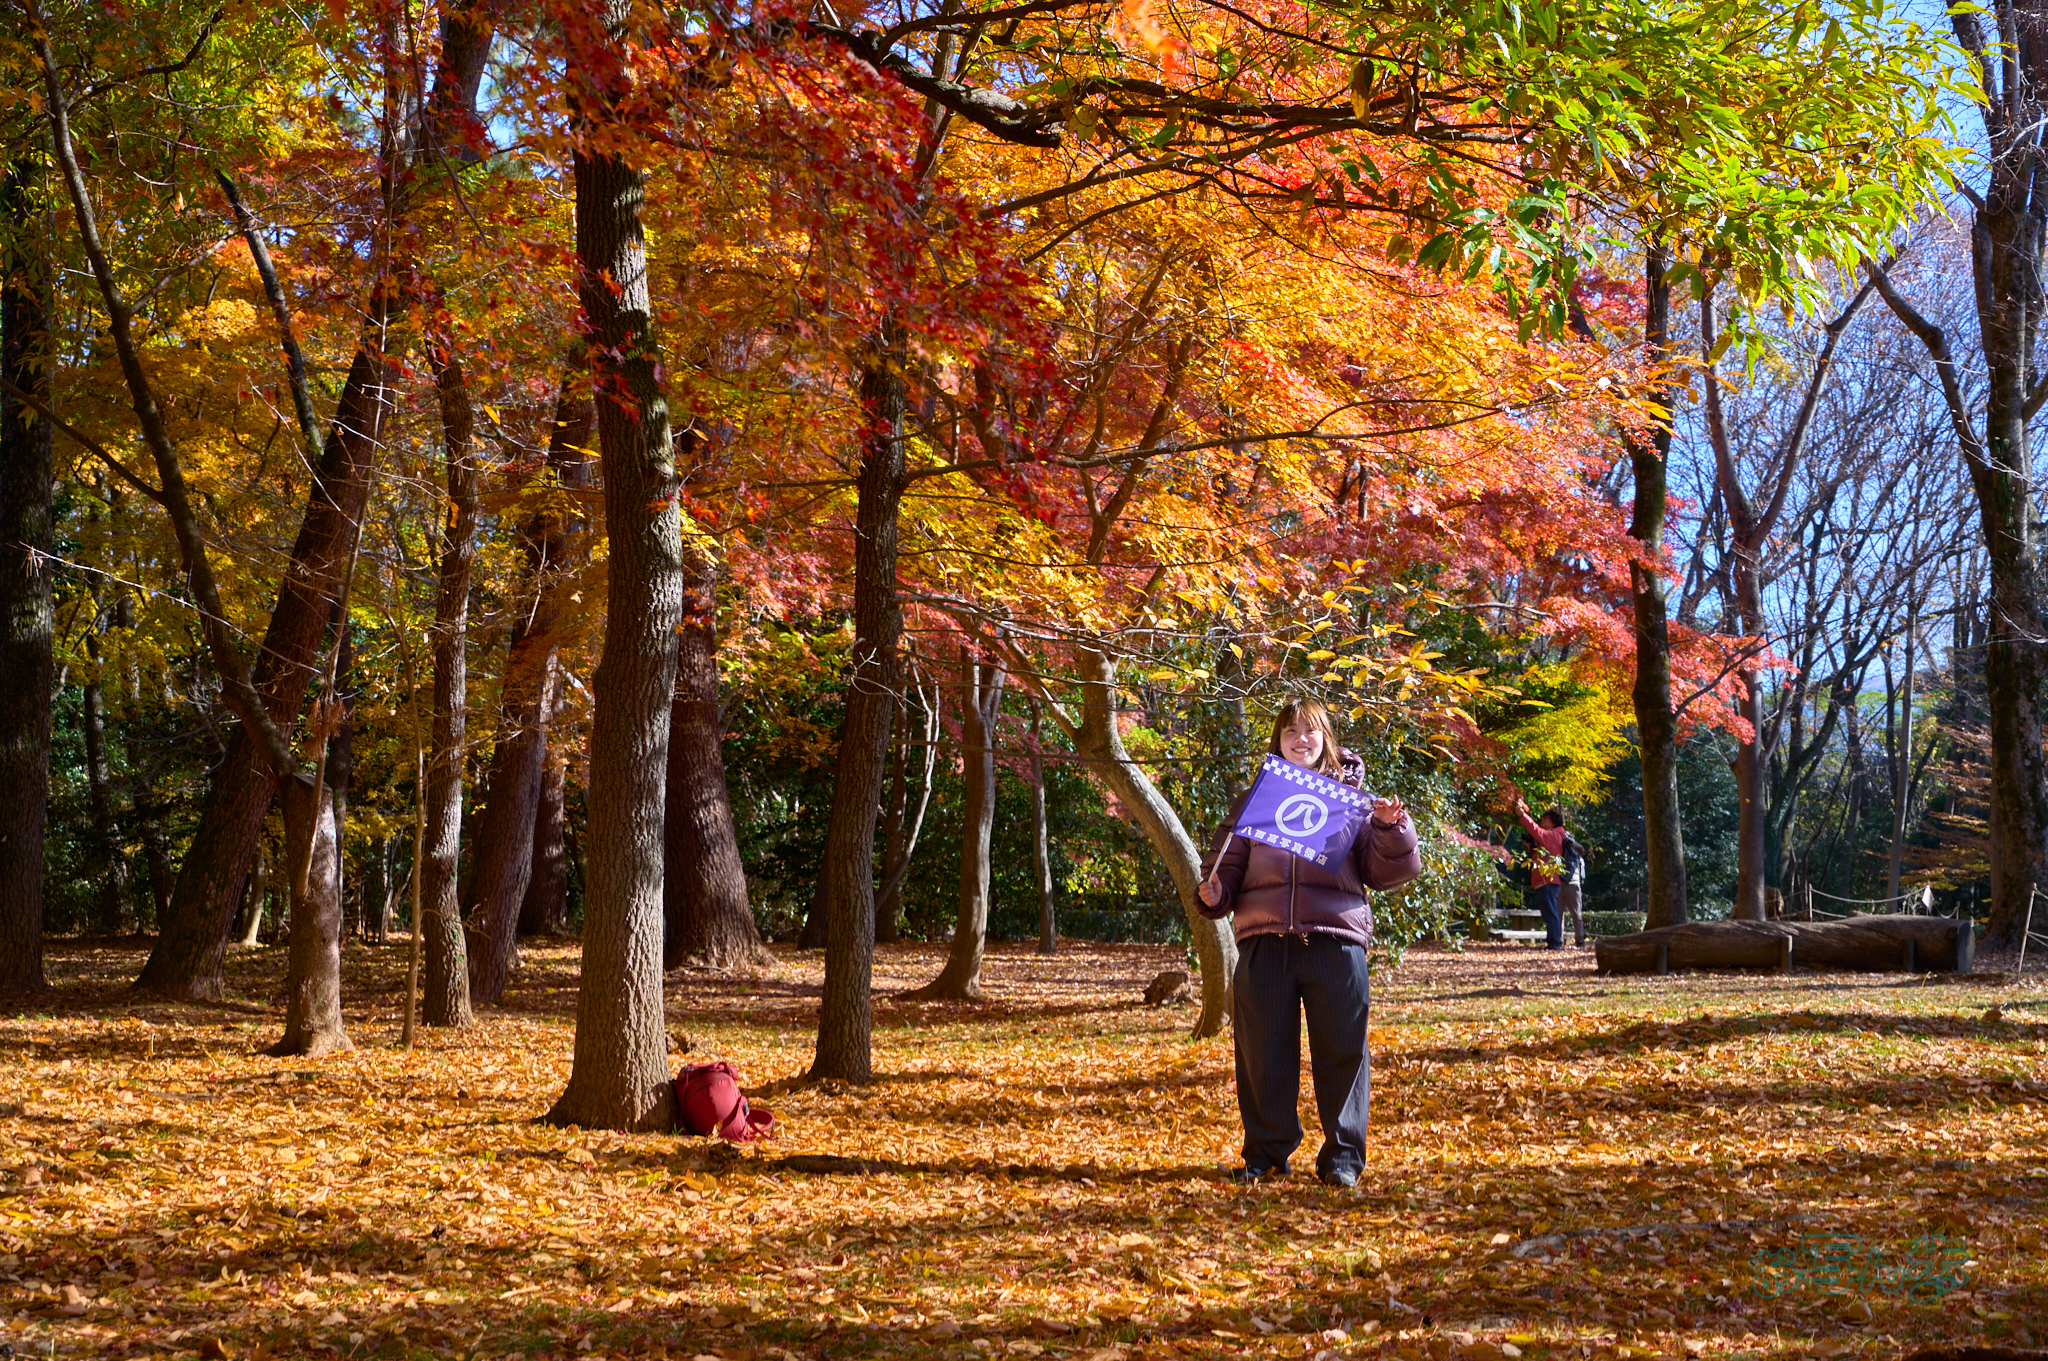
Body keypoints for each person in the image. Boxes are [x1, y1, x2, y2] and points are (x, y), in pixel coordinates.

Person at [1197, 698, 1421, 1188]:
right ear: (1277, 740)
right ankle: (1266, 1154)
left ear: (1327, 738)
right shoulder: (1259, 797)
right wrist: (1214, 893)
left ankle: (1342, 1158)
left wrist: (1389, 828)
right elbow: (1225, 868)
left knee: (1342, 1050)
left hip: (1334, 941)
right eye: (1290, 731)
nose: (1301, 739)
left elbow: (1390, 871)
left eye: (1311, 731)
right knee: (1261, 1054)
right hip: (1263, 941)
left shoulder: (1352, 800)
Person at [1514, 799, 1568, 950]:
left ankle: (1554, 944)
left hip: (1548, 880)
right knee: (1548, 914)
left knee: (1550, 914)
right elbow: (1538, 856)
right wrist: (1530, 846)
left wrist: (1523, 815)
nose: (1542, 820)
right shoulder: (1549, 838)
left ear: (1553, 822)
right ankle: (1553, 942)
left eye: (1546, 819)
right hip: (1544, 880)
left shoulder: (1554, 835)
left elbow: (1536, 830)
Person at [1558, 830, 1587, 948]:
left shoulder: (1574, 851)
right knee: (1558, 915)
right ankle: (1557, 941)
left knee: (1576, 914)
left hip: (1573, 884)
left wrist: (1572, 843)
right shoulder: (1556, 849)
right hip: (1559, 884)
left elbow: (1582, 849)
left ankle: (1580, 940)